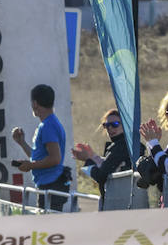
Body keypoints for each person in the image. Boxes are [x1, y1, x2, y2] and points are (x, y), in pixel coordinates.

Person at [11, 84, 72, 212]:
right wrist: (22, 142)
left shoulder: (48, 126)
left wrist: (30, 166)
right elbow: (39, 157)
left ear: (35, 103)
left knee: (49, 229)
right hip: (49, 185)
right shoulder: (47, 124)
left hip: (51, 186)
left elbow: (55, 159)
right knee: (47, 229)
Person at [71, 108, 131, 196]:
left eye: (115, 124)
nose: (110, 128)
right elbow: (109, 165)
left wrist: (88, 161)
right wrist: (93, 156)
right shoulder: (123, 145)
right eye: (106, 125)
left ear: (125, 125)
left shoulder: (121, 146)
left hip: (120, 200)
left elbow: (101, 176)